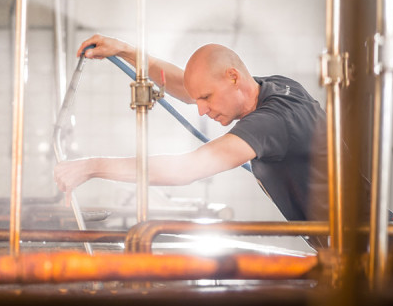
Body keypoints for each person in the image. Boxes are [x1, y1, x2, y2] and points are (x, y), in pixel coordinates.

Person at [53, 34, 329, 225]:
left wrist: (91, 167)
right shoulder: (275, 87)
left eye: (206, 98)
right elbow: (185, 86)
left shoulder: (272, 122)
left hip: (358, 244)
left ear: (233, 77)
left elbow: (186, 169)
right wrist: (124, 50)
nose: (200, 110)